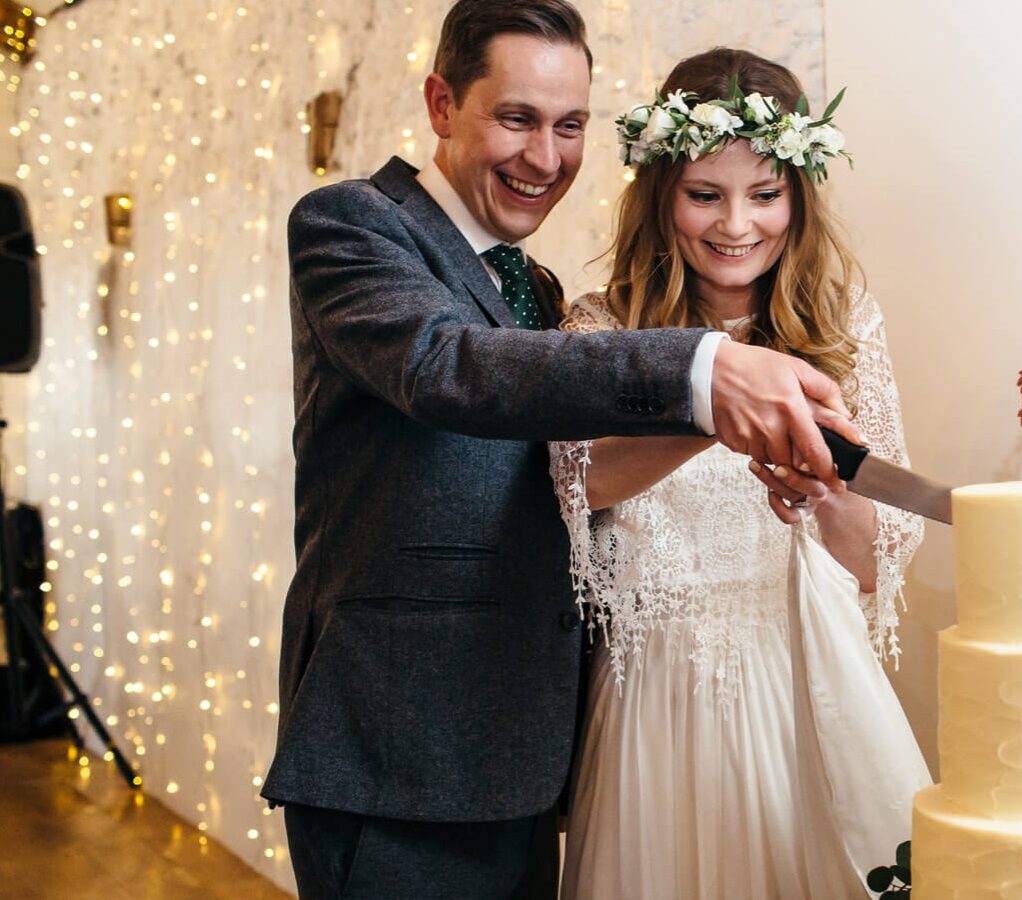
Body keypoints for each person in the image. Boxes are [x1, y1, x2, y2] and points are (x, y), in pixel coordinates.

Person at [260, 4, 860, 897]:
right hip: (403, 752)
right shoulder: (353, 225)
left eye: (569, 125)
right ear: (440, 103)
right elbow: (446, 366)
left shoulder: (530, 284)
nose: (545, 158)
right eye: (516, 118)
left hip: (533, 755)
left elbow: (552, 487)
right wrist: (703, 371)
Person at [552, 48, 927, 900]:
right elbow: (575, 485)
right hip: (654, 701)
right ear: (660, 196)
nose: (736, 224)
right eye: (704, 195)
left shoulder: (844, 327)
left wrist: (829, 494)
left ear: (798, 195)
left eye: (765, 194)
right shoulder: (599, 329)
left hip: (803, 691)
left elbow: (877, 561)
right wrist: (708, 409)